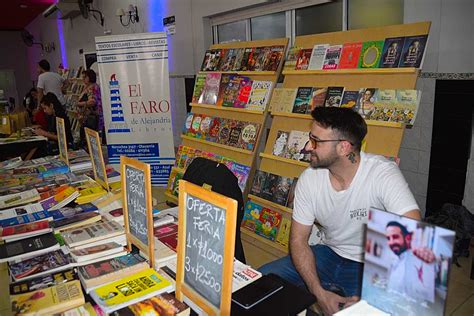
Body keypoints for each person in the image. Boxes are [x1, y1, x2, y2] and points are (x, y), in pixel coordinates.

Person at [259, 107, 421, 315]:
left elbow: (414, 235)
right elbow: (298, 241)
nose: (308, 146)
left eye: (316, 141)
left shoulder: (382, 173)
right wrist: (318, 293)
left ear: (344, 147)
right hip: (328, 252)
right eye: (310, 138)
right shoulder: (310, 179)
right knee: (260, 283)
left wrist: (371, 300)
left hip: (370, 264)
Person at [385, 221, 436, 301]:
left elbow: (426, 295)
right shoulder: (395, 262)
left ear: (407, 238)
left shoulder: (420, 259)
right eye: (388, 238)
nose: (391, 242)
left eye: (395, 237)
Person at [77, 69, 104, 146]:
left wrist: (79, 103)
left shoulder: (92, 87)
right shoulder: (87, 87)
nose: (83, 79)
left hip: (91, 118)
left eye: (85, 77)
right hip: (86, 118)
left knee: (91, 139)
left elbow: (92, 102)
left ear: (89, 77)